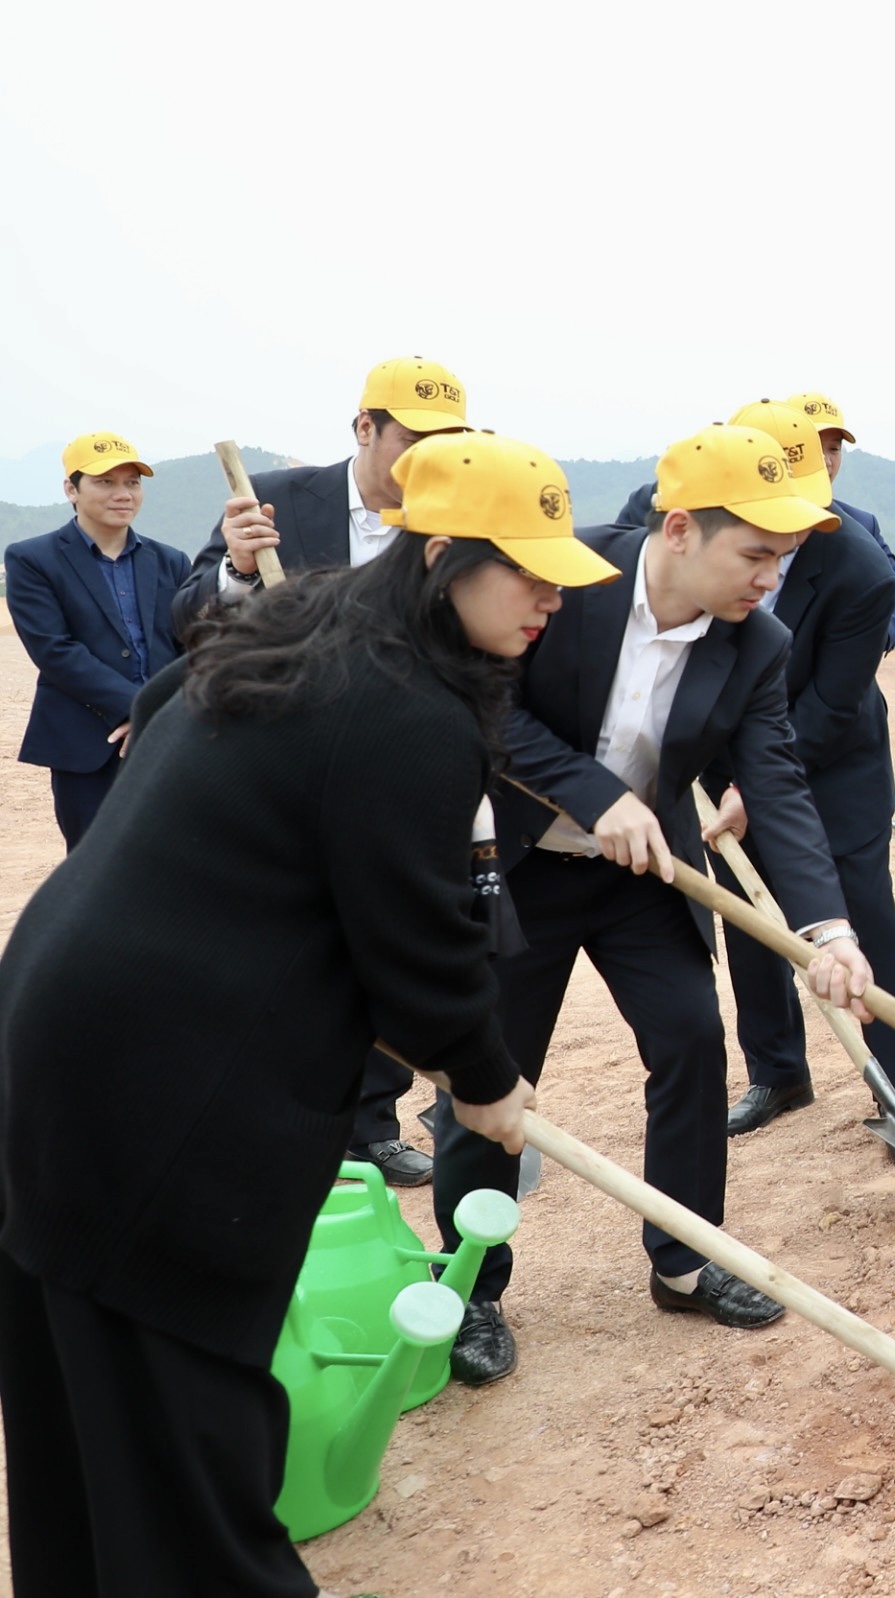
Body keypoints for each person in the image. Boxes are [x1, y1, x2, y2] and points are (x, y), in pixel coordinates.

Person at [0, 431, 590, 1596]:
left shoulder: (307, 620)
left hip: (55, 1024)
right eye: (520, 569)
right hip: (155, 1084)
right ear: (437, 554)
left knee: (80, 1403)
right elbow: (418, 940)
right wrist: (485, 1077)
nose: (545, 598)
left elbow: (169, 691)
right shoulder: (404, 707)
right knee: (191, 1440)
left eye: (555, 573)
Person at [430, 422, 874, 1386]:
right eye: (756, 554)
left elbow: (780, 786)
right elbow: (490, 706)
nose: (771, 578)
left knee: (691, 1041)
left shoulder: (757, 644)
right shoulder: (561, 582)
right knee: (489, 1077)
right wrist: (597, 794)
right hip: (519, 866)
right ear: (680, 532)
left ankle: (682, 1257)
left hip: (643, 878)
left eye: (785, 558)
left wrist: (829, 931)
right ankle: (472, 1285)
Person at [170, 355, 476, 1189]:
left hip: (392, 771)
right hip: (281, 769)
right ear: (366, 428)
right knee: (285, 951)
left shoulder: (452, 512)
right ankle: (276, 1128)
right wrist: (235, 570)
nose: (428, 458)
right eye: (414, 438)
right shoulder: (273, 500)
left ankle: (373, 1125)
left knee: (378, 942)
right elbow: (187, 619)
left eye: (447, 441)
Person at [683, 400, 895, 1142]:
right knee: (751, 919)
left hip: (835, 760)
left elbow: (834, 702)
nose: (784, 542)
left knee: (861, 918)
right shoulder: (685, 533)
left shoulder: (859, 567)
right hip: (724, 756)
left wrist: (756, 787)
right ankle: (777, 1074)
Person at [616, 389, 895, 650]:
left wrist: (861, 639)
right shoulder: (669, 503)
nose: (827, 461)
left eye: (833, 449)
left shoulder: (856, 534)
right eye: (811, 449)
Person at [6, 433, 188, 847]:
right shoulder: (33, 559)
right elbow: (55, 650)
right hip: (87, 742)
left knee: (173, 861)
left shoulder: (171, 561)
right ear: (71, 489)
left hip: (167, 736)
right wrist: (137, 709)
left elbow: (189, 644)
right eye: (105, 482)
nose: (123, 494)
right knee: (93, 865)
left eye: (132, 482)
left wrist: (163, 714)